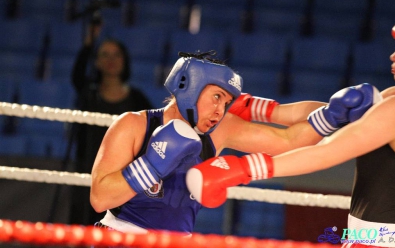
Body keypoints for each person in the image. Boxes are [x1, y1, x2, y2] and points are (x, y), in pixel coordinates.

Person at [90, 50, 377, 236]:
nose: (220, 111)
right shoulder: (134, 125)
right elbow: (100, 198)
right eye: (216, 97)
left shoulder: (220, 130)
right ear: (187, 85)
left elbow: (290, 139)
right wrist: (151, 165)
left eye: (227, 103)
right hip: (118, 237)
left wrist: (334, 114)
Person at [187, 20, 395, 247]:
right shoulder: (392, 99)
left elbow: (327, 152)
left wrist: (243, 169)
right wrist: (255, 107)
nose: (393, 56)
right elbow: (335, 115)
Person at [70, 21, 153, 226]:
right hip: (88, 170)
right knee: (83, 225)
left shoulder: (137, 99)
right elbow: (77, 76)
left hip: (124, 177)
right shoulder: (89, 95)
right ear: (96, 62)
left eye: (116, 54)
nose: (111, 60)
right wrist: (89, 42)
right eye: (104, 54)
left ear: (124, 60)